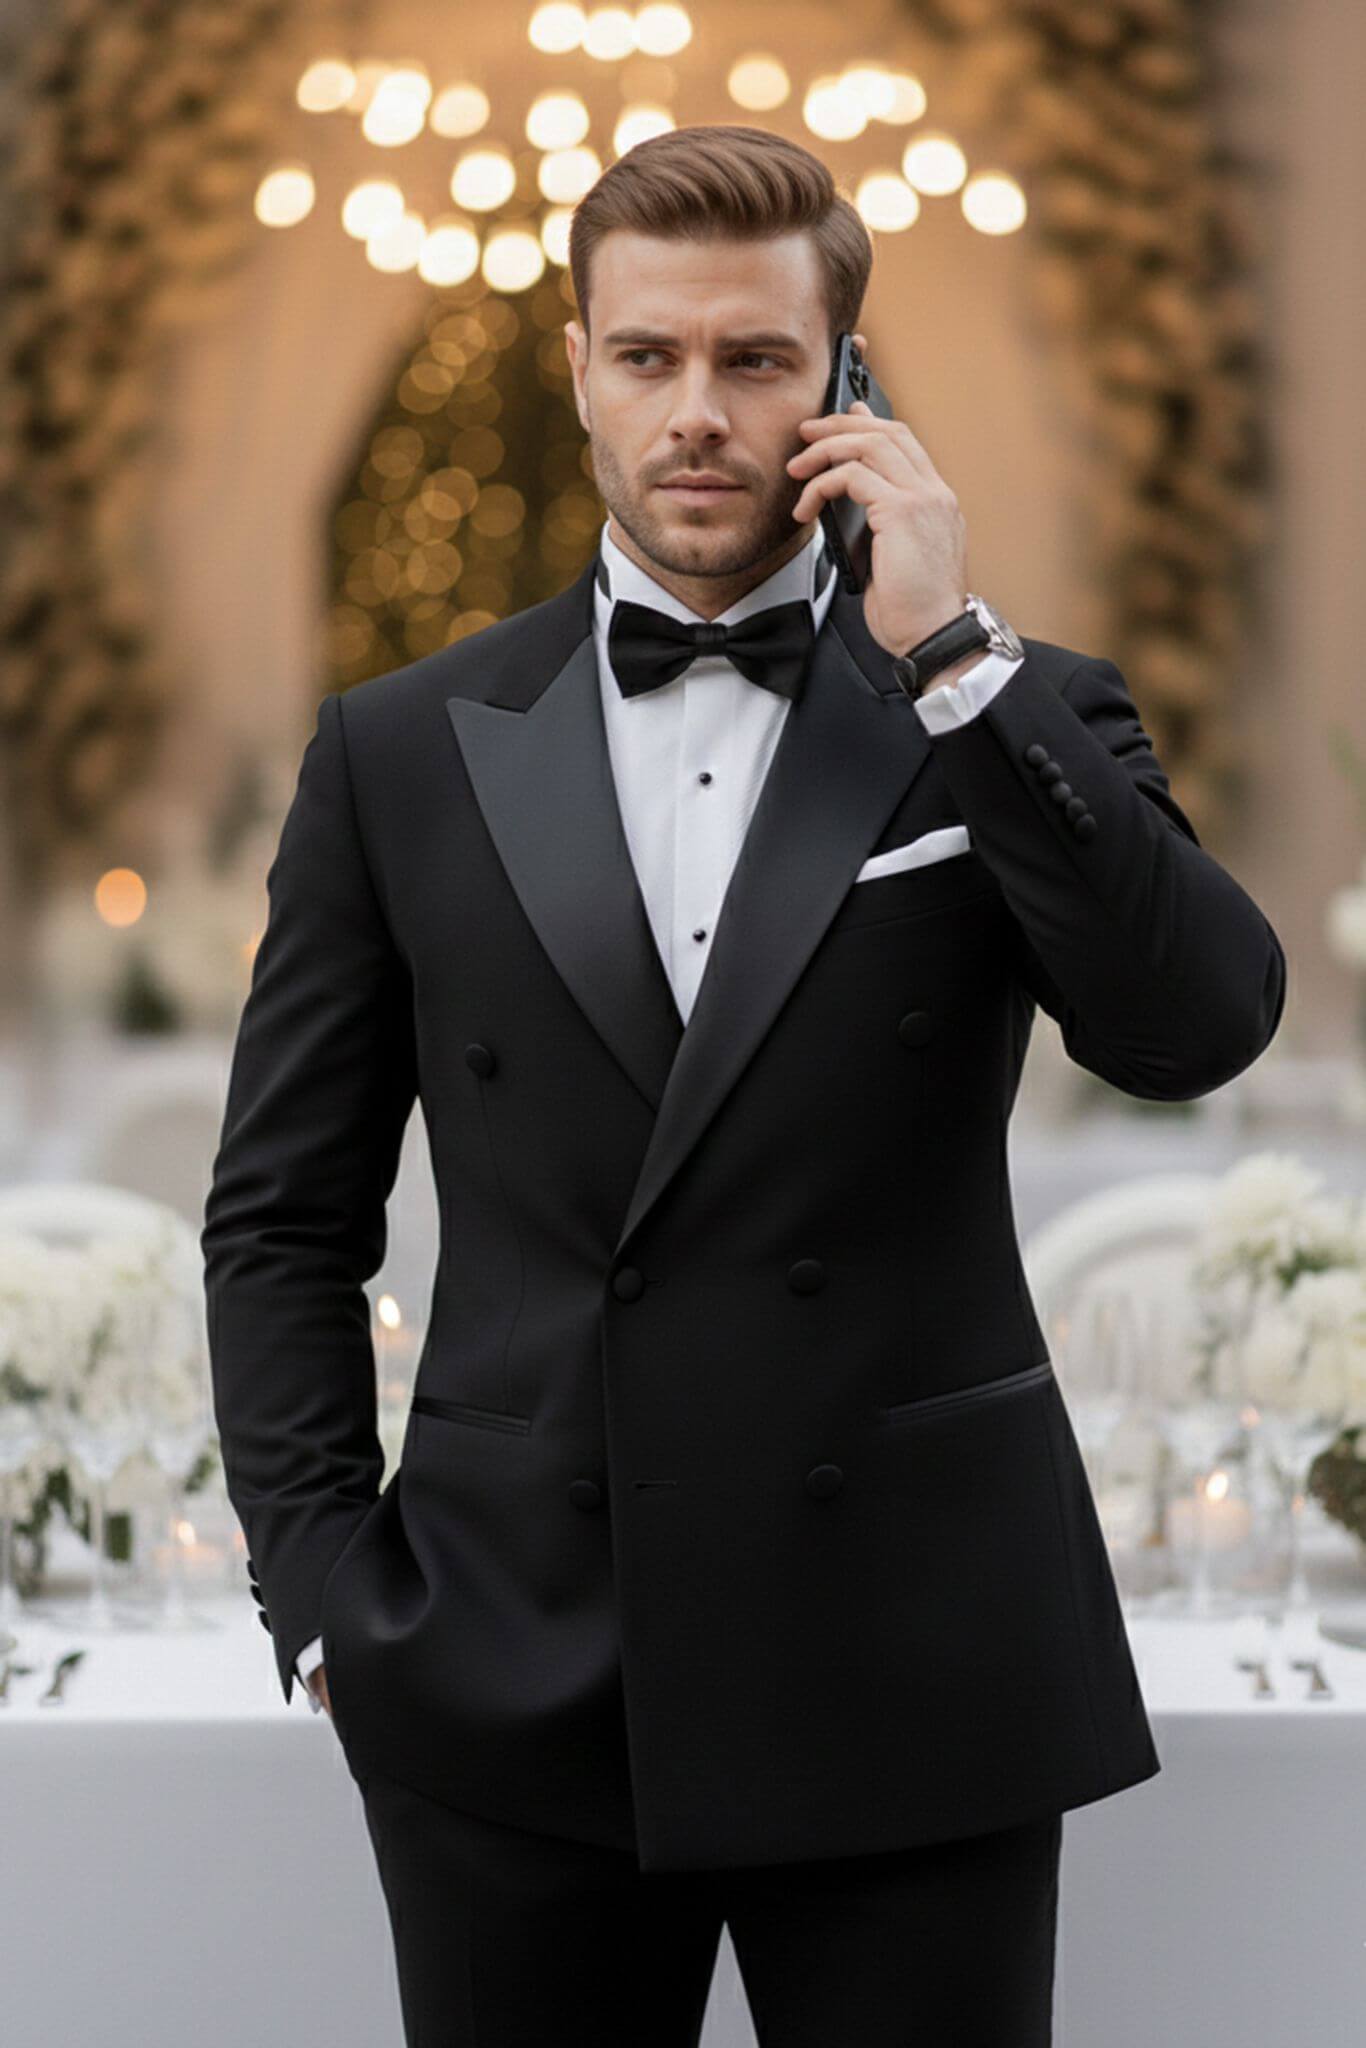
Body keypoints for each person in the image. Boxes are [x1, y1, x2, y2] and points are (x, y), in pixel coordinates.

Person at [202, 123, 1287, 2045]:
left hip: (914, 1663)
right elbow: (285, 1214)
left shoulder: (1003, 708)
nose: (696, 412)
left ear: (842, 385)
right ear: (582, 372)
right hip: (505, 1664)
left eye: (755, 361)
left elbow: (1189, 1029)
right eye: (649, 358)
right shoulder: (396, 752)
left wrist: (953, 656)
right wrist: (321, 1592)